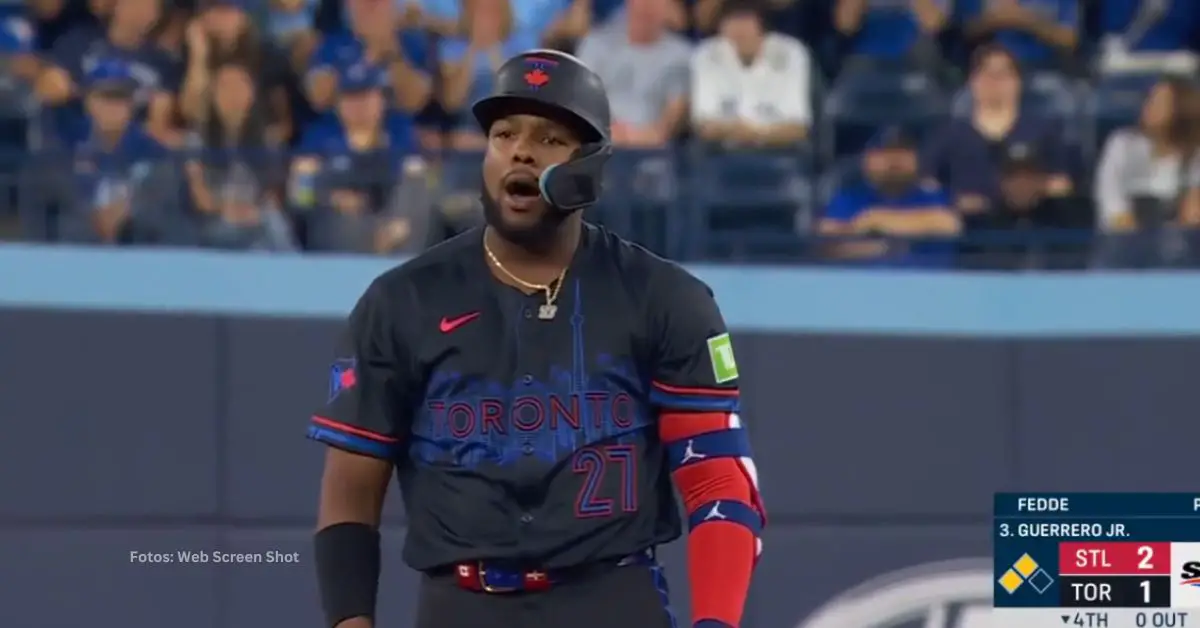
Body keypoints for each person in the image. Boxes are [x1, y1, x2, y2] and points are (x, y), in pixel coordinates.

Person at [307, 49, 764, 628]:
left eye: (550, 138)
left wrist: (717, 624)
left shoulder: (664, 298)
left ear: (591, 163)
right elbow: (349, 493)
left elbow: (718, 482)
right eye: (504, 133)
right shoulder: (403, 300)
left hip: (610, 598)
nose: (520, 149)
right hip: (460, 604)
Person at [819, 126, 958, 267]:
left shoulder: (932, 196)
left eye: (903, 150)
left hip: (930, 284)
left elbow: (948, 225)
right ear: (867, 159)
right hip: (863, 283)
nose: (894, 159)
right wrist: (884, 248)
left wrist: (876, 220)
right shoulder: (849, 197)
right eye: (884, 151)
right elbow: (828, 241)